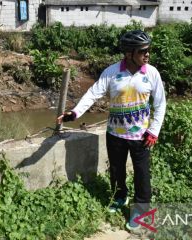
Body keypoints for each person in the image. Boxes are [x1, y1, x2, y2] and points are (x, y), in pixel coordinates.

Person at [57, 30, 166, 230]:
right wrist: (75, 113)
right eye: (143, 51)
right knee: (117, 170)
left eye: (149, 50)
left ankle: (141, 212)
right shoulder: (112, 72)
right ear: (129, 53)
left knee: (142, 175)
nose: (147, 54)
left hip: (142, 136)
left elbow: (160, 104)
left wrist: (154, 130)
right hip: (115, 133)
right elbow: (93, 93)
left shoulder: (151, 73)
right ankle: (119, 197)